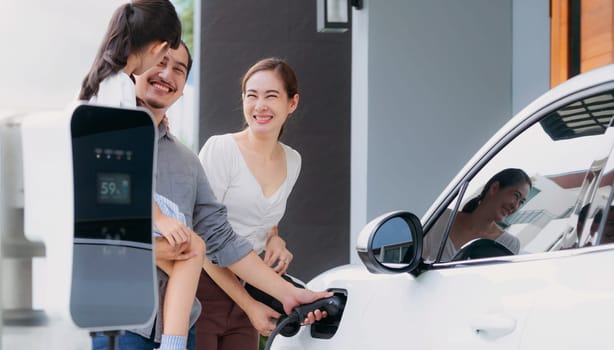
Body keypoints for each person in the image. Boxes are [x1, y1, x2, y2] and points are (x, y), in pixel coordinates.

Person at [93, 43, 331, 350]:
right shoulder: (106, 137)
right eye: (161, 62)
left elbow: (220, 236)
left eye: (179, 69)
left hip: (178, 327)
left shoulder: (186, 162)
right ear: (135, 68)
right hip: (121, 323)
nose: (168, 74)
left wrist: (288, 292)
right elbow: (94, 219)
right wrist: (158, 244)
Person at [79, 2, 202, 349]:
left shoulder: (100, 82)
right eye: (164, 59)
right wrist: (160, 218)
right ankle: (174, 344)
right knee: (193, 248)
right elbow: (118, 170)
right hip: (122, 207)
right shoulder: (118, 88)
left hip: (115, 207)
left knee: (185, 250)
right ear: (159, 46)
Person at [196, 58, 300, 349]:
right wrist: (248, 304)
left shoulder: (293, 160)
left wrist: (275, 239)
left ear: (292, 103)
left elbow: (264, 214)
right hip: (203, 288)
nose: (260, 105)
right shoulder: (221, 149)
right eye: (251, 96)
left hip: (251, 287)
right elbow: (201, 238)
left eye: (271, 96)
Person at [423, 168, 532, 262]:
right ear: (494, 188)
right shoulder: (442, 217)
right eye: (516, 196)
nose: (516, 206)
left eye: (521, 202)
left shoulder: (509, 244)